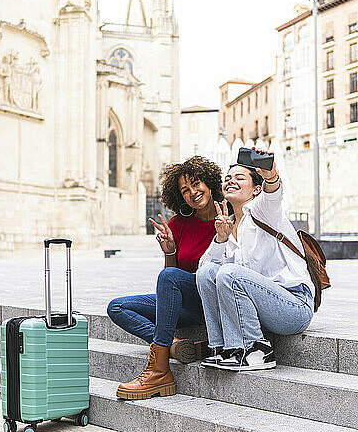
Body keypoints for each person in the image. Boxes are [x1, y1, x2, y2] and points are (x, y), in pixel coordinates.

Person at [107, 156, 222, 400]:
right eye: (185, 190)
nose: (193, 192)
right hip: (187, 304)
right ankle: (174, 344)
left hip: (214, 300)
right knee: (116, 307)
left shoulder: (229, 216)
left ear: (209, 182)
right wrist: (170, 251)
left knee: (169, 276)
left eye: (196, 183)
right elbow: (171, 276)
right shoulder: (179, 223)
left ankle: (159, 369)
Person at [196, 155, 315, 371]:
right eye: (228, 178)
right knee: (207, 273)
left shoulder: (263, 211)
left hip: (294, 307)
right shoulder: (228, 224)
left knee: (230, 273)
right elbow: (204, 272)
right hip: (262, 310)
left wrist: (271, 177)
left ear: (256, 190)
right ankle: (224, 349)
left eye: (240, 178)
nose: (230, 181)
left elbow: (273, 194)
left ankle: (257, 349)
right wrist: (221, 240)